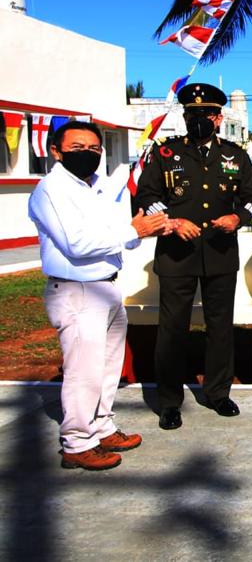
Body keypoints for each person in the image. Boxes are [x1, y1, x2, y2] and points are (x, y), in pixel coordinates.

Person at [28, 121, 170, 469]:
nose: (88, 154)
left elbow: (116, 234)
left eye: (94, 149)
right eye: (77, 148)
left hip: (105, 286)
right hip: (76, 290)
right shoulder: (52, 190)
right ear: (56, 151)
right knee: (83, 371)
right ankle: (77, 442)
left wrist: (141, 231)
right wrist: (131, 230)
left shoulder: (98, 187)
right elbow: (77, 244)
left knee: (107, 368)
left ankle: (101, 427)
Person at [133, 83, 252, 430]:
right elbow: (146, 196)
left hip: (220, 253)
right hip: (177, 254)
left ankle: (217, 392)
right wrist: (173, 222)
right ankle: (170, 402)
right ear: (185, 116)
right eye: (193, 113)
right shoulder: (165, 154)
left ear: (219, 118)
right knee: (173, 329)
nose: (200, 118)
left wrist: (239, 217)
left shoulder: (236, 156)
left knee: (220, 328)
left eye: (207, 113)